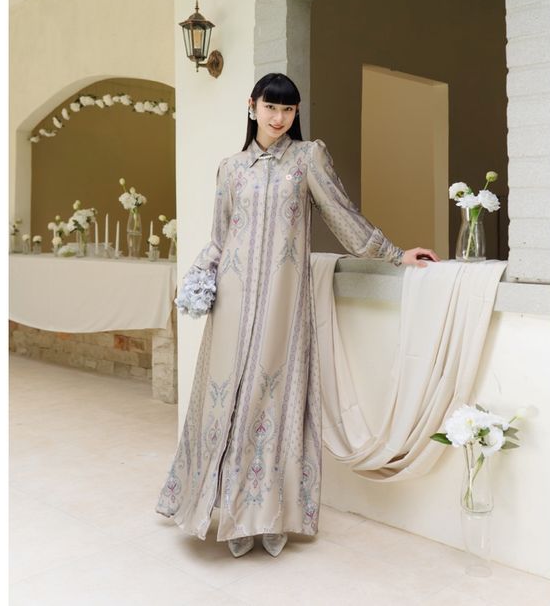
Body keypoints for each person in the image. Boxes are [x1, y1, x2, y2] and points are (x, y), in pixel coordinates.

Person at [155, 72, 440, 558]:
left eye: (287, 109)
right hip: (232, 303)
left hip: (282, 304)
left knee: (270, 399)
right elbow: (221, 238)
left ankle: (266, 515)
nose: (278, 117)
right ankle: (219, 508)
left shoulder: (308, 159)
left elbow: (343, 215)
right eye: (270, 107)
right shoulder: (230, 169)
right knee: (224, 399)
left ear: (296, 113)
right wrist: (198, 279)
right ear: (252, 106)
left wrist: (395, 254)